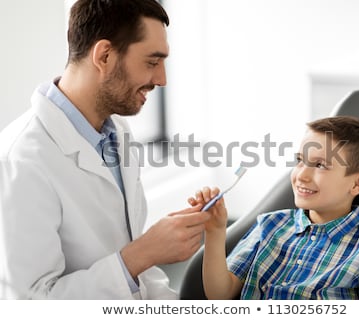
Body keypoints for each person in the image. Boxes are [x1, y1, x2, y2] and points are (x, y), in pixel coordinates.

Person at [0, 0, 210, 299]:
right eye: (152, 62)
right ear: (105, 55)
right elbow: (28, 304)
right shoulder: (20, 160)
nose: (162, 79)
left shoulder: (117, 132)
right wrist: (143, 252)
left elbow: (140, 273)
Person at [189, 116, 359, 299]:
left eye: (320, 165)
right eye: (300, 160)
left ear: (357, 183)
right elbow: (220, 294)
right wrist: (215, 231)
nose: (301, 175)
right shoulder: (271, 225)